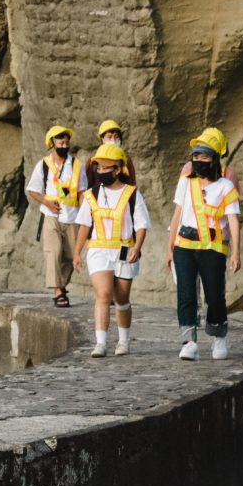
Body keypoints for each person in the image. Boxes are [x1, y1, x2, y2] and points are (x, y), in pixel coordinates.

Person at [69, 142, 149, 357]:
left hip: (124, 250)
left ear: (117, 169)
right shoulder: (90, 195)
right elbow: (85, 225)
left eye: (106, 168)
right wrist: (77, 253)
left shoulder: (132, 194)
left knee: (121, 300)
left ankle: (123, 341)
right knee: (103, 295)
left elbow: (141, 225)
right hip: (99, 251)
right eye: (99, 168)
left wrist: (137, 247)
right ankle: (101, 343)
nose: (102, 171)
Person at [166, 135, 242, 361]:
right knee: (186, 294)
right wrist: (169, 247)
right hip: (185, 246)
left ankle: (219, 337)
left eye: (205, 156)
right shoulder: (185, 182)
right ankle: (189, 342)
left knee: (215, 295)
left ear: (215, 159)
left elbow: (233, 220)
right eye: (196, 156)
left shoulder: (225, 186)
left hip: (213, 247)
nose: (199, 161)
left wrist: (236, 252)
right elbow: (177, 214)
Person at [24, 125, 80, 307]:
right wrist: (47, 202)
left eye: (66, 141)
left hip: (72, 216)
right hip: (50, 215)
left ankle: (61, 284)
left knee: (71, 257)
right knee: (53, 252)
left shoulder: (77, 165)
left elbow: (83, 191)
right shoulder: (44, 165)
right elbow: (32, 190)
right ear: (52, 143)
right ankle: (57, 291)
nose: (64, 144)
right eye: (60, 142)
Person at [91, 119, 140, 191]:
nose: (113, 140)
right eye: (109, 137)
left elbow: (132, 183)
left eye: (116, 137)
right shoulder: (94, 161)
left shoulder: (126, 160)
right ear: (102, 139)